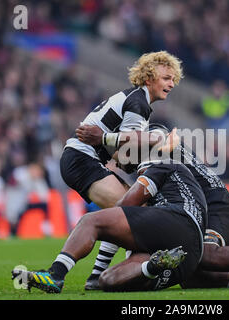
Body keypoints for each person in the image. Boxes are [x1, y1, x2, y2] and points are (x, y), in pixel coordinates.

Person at [77, 124, 229, 290]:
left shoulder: (156, 139)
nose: (117, 162)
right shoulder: (148, 163)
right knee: (192, 276)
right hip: (194, 211)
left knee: (206, 253)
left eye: (116, 155)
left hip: (216, 204)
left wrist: (104, 138)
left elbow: (158, 137)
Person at [12, 138, 207, 293]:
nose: (115, 160)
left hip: (178, 221)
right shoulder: (178, 174)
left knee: (92, 220)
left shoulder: (158, 164)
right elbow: (124, 220)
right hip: (186, 257)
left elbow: (124, 208)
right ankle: (152, 267)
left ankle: (56, 274)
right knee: (110, 281)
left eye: (121, 151)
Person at [61, 51, 183, 287]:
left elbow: (123, 155)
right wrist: (159, 139)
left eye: (173, 79)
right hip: (81, 159)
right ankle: (66, 272)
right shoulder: (138, 102)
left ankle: (96, 276)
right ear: (149, 78)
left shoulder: (137, 100)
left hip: (82, 159)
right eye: (166, 78)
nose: (171, 83)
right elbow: (131, 144)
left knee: (128, 208)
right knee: (133, 212)